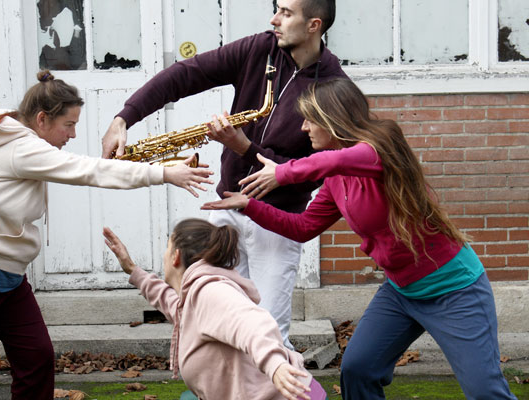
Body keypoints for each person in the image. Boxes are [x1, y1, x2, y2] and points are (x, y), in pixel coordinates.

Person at [201, 78, 517, 400]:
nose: (304, 128)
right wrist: (251, 206)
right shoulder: (336, 180)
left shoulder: (380, 147)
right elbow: (304, 226)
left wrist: (282, 173)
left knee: (484, 391)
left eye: (310, 119)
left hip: (453, 288)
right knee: (358, 369)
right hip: (400, 292)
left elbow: (335, 160)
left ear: (332, 118)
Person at [0, 70, 213, 399]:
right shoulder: (20, 148)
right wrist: (165, 173)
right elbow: (88, 170)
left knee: (36, 358)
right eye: (69, 125)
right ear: (41, 119)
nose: (74, 134)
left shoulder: (24, 145)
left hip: (6, 280)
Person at [101, 0, 347, 349]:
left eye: (286, 13)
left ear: (314, 26)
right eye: (277, 8)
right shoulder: (259, 49)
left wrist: (247, 148)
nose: (274, 19)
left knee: (269, 336)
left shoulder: (334, 86)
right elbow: (185, 73)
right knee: (209, 321)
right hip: (228, 210)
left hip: (277, 222)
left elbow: (319, 173)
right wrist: (123, 118)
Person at [103, 218, 328, 400]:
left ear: (176, 256)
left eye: (167, 247)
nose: (164, 255)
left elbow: (252, 323)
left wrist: (275, 365)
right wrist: (132, 269)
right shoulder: (194, 297)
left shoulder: (210, 292)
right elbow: (172, 305)